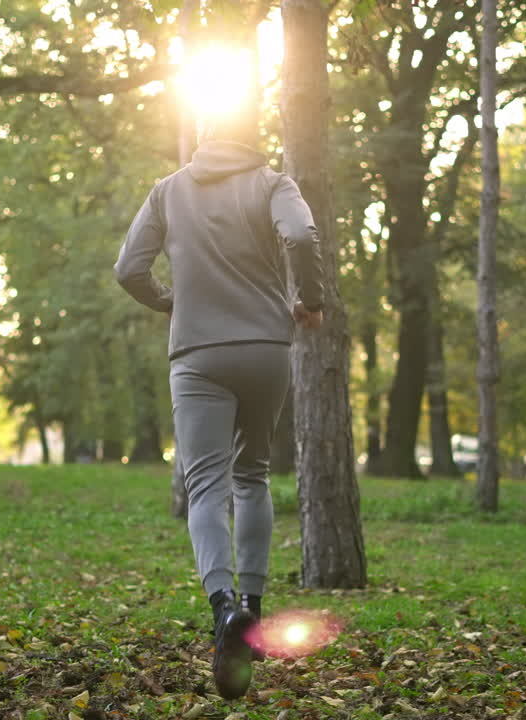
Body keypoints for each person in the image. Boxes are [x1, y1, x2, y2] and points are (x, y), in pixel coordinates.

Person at [113, 113, 324, 700]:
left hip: (197, 354)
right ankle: (252, 611)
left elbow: (128, 269)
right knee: (251, 475)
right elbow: (302, 237)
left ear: (205, 133)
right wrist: (308, 299)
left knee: (205, 487)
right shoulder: (273, 183)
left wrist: (168, 302)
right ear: (252, 131)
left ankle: (223, 609)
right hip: (264, 347)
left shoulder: (168, 189)